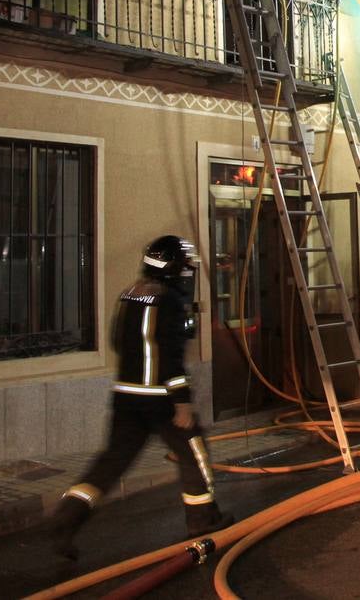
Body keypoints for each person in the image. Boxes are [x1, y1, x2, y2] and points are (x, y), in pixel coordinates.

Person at [48, 235, 232, 559]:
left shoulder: (130, 293)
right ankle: (203, 519)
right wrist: (181, 400)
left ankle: (68, 516)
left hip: (125, 396)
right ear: (174, 266)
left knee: (112, 462)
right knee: (194, 453)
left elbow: (119, 341)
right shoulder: (170, 300)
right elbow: (171, 355)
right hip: (159, 398)